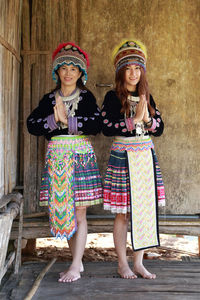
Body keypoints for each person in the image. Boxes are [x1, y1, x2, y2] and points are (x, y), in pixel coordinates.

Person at [27, 42, 103, 282]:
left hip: (80, 158)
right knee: (68, 211)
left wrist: (68, 120)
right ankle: (76, 261)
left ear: (81, 74)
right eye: (64, 68)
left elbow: (96, 124)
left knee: (80, 212)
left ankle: (75, 264)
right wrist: (52, 118)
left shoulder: (87, 97)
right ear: (57, 72)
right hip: (58, 159)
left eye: (74, 68)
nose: (68, 72)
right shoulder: (48, 99)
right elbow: (32, 124)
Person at [101, 40, 165, 279]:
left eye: (138, 68)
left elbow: (159, 128)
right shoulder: (111, 97)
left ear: (143, 72)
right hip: (123, 156)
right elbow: (106, 126)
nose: (133, 73)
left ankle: (138, 262)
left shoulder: (147, 96)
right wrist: (133, 121)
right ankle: (122, 263)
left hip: (145, 157)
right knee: (122, 213)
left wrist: (147, 119)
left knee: (144, 210)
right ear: (121, 72)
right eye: (128, 68)